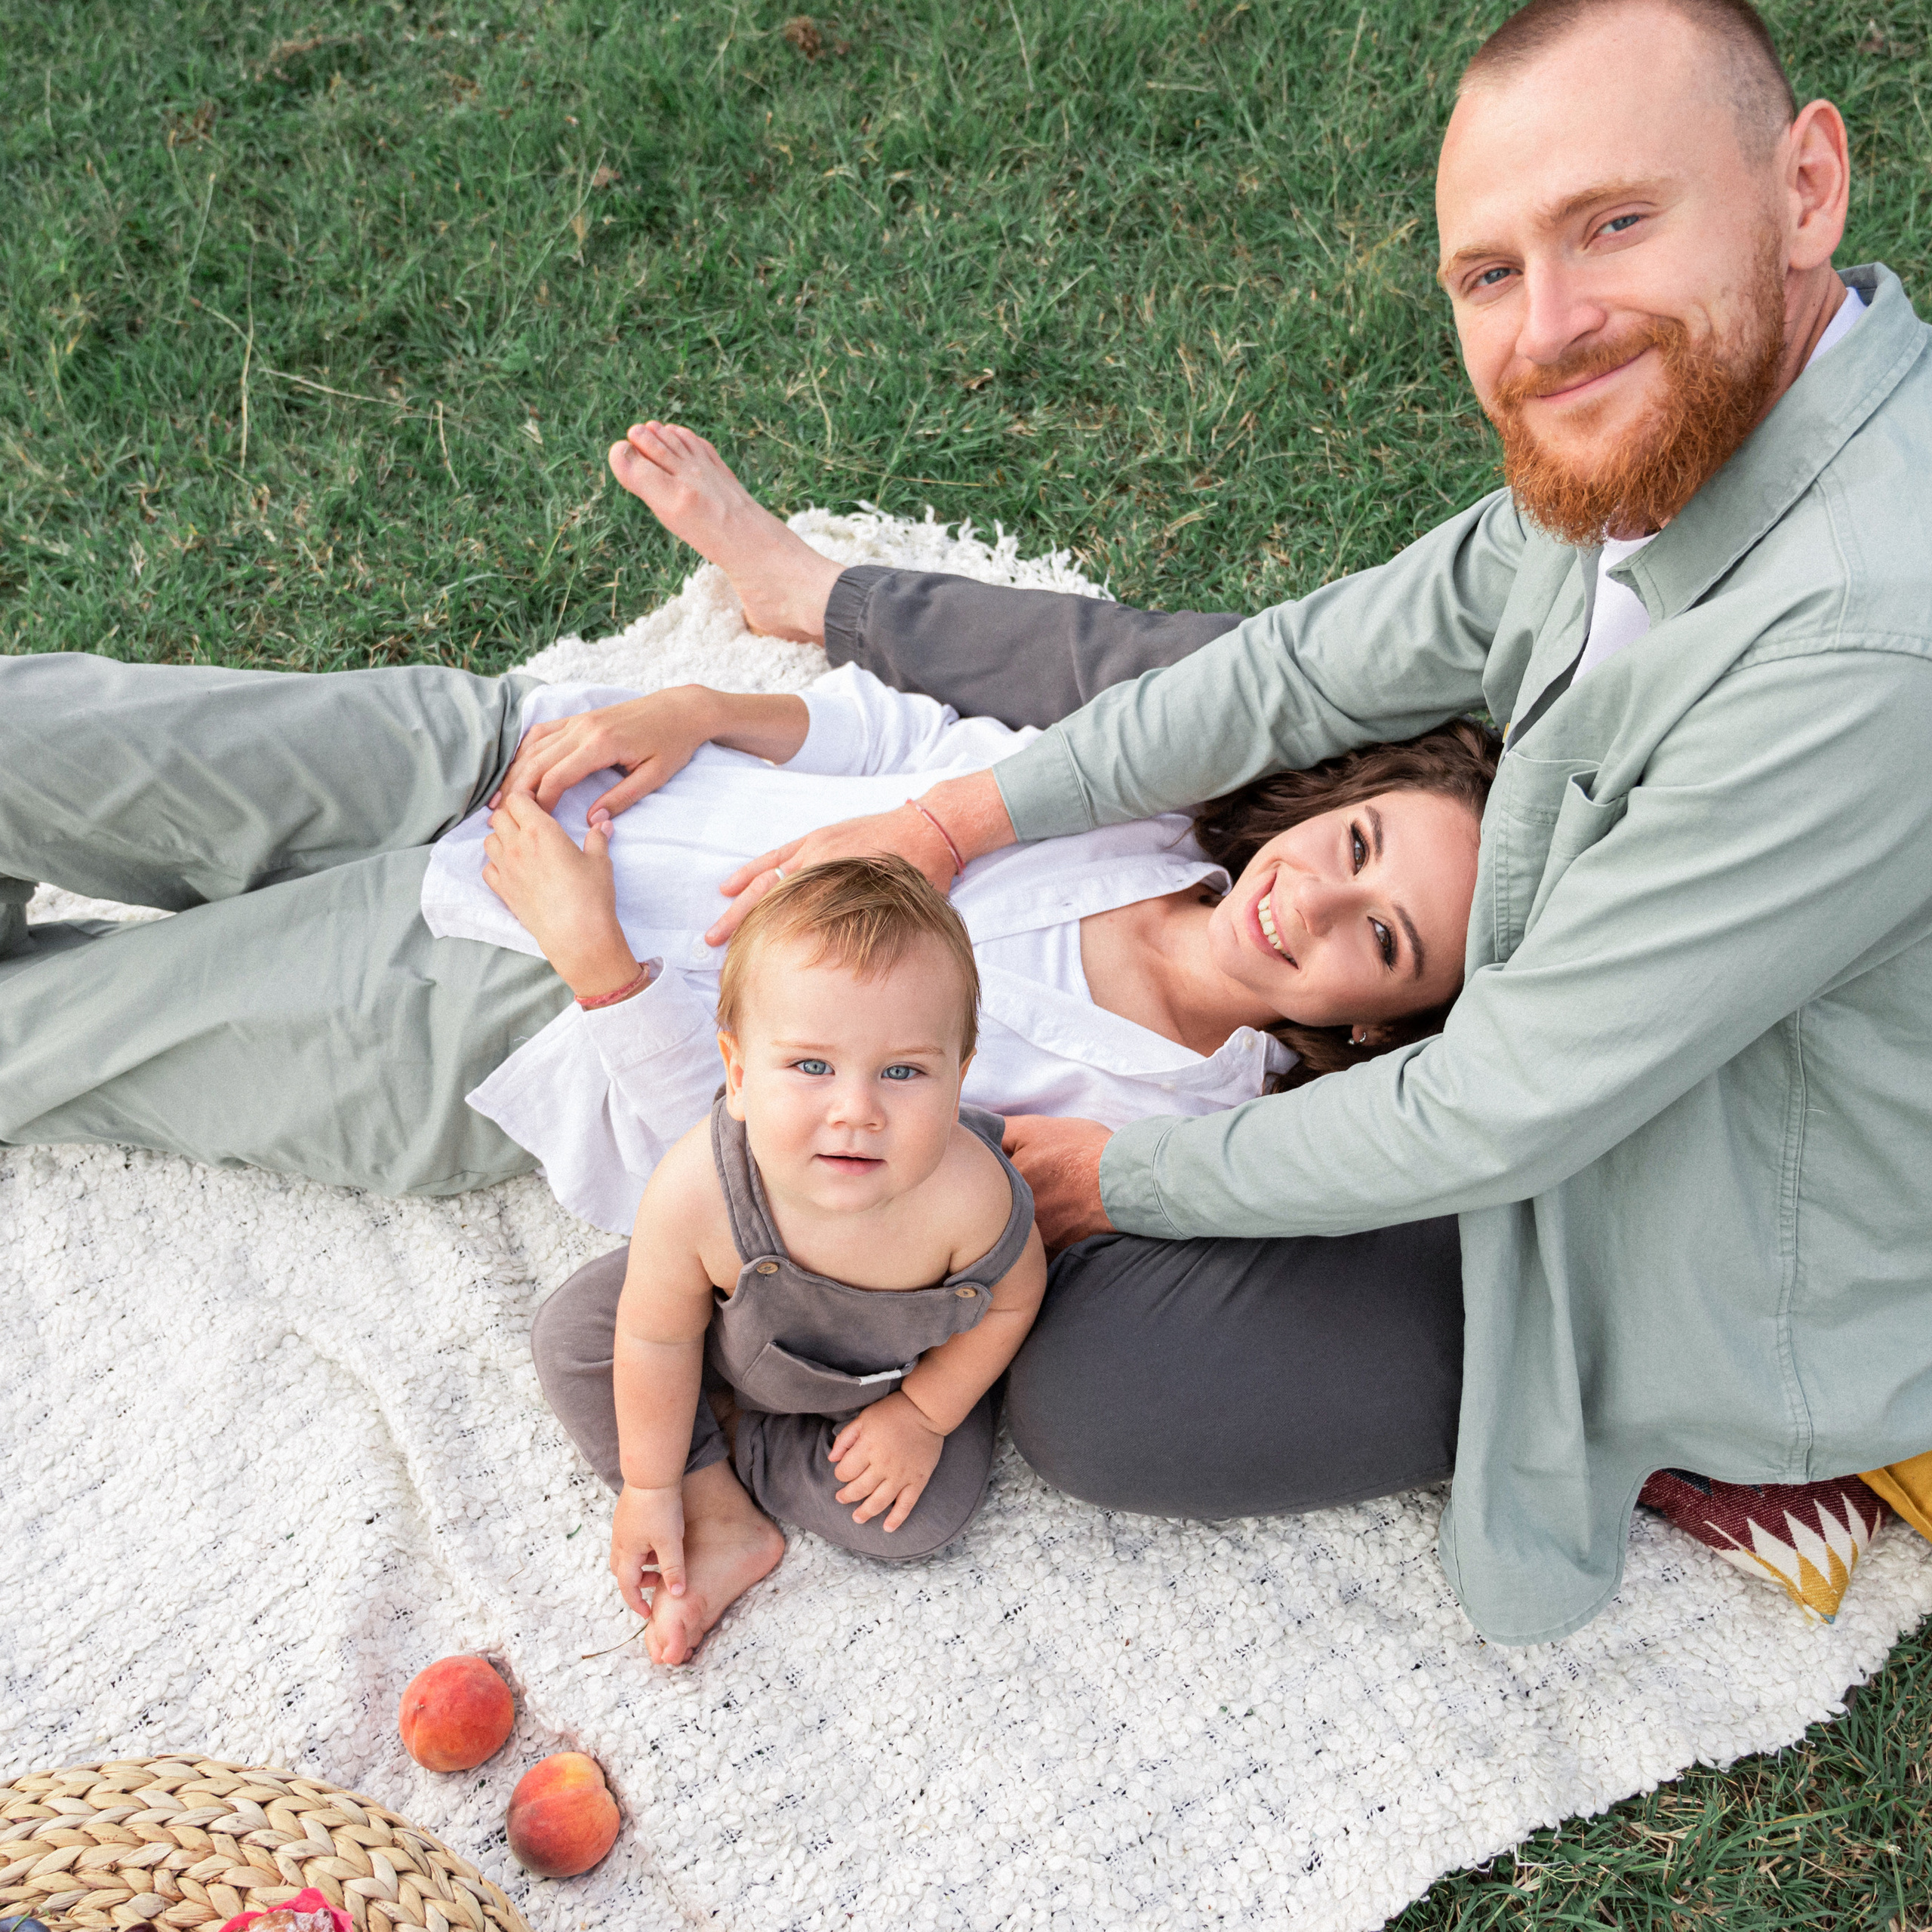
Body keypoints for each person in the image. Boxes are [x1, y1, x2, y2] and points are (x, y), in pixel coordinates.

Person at [565, 0, 1932, 1645]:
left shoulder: (1862, 645)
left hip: (1708, 1221)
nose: (1550, 325)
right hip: (1534, 992)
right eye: (1488, 275)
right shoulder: (1658, 442)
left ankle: (1707, 1441)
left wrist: (1122, 1172)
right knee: (1193, 689)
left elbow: (1495, 1109)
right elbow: (1297, 668)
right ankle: (841, 610)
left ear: (1805, 185)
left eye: (1615, 224)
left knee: (1111, 1390)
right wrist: (952, 821)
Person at [537, 859, 1046, 1666]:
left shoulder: (970, 1198)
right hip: (714, 1337)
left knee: (918, 1516)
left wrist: (922, 1415)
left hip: (876, 1387)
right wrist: (651, 1484)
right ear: (737, 1074)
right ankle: (709, 1494)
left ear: (958, 1078)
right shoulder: (698, 1189)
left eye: (904, 1071)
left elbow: (1015, 1303)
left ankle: (741, 1445)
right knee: (574, 1336)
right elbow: (656, 1336)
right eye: (811, 1066)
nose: (857, 1110)